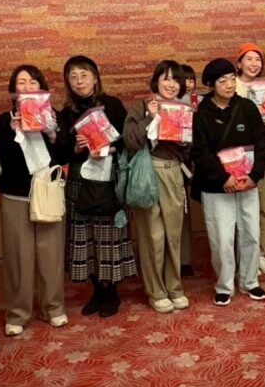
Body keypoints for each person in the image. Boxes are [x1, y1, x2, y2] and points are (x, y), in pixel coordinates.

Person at [0, 65, 67, 336]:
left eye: (33, 82)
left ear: (42, 88)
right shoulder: (4, 121)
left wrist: (52, 132)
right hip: (16, 195)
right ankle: (18, 313)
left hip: (48, 192)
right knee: (18, 257)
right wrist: (13, 134)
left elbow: (66, 153)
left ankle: (53, 307)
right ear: (14, 90)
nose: (27, 87)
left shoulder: (53, 116)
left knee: (51, 254)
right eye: (21, 82)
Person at [58, 55, 135, 318]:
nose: (79, 81)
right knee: (84, 235)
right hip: (80, 179)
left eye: (84, 74)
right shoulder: (66, 113)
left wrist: (109, 148)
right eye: (73, 76)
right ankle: (96, 290)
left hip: (108, 176)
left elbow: (126, 140)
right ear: (68, 82)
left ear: (95, 78)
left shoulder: (112, 105)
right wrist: (76, 147)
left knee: (109, 234)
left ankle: (111, 290)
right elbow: (61, 152)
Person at [191, 58, 265, 306]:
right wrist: (224, 177)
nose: (229, 85)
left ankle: (250, 281)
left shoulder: (246, 107)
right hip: (217, 186)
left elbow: (261, 142)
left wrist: (254, 175)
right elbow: (200, 152)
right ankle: (224, 285)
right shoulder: (201, 113)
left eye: (232, 79)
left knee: (251, 233)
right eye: (223, 81)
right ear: (212, 85)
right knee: (222, 238)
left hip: (247, 183)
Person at [123, 60, 190, 313]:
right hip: (148, 172)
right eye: (166, 78)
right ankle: (156, 291)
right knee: (153, 237)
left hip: (174, 173)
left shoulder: (185, 110)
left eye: (176, 80)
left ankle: (175, 287)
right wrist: (150, 117)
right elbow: (130, 140)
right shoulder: (141, 106)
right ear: (156, 81)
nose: (171, 84)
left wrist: (185, 140)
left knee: (173, 235)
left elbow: (190, 150)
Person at [235, 42, 265, 275]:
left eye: (258, 59)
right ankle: (243, 256)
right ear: (239, 63)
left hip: (264, 155)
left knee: (263, 208)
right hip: (239, 158)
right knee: (240, 211)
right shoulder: (231, 86)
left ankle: (260, 254)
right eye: (249, 59)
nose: (254, 64)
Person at [179, 63, 198, 277]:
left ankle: (185, 258)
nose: (189, 83)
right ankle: (179, 260)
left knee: (185, 212)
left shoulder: (197, 103)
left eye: (192, 79)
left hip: (192, 162)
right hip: (175, 162)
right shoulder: (167, 105)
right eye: (185, 79)